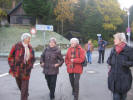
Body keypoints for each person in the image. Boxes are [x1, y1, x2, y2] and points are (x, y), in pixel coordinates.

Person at [8, 33, 35, 100]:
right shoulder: (16, 46)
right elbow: (10, 57)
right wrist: (13, 66)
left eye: (29, 38)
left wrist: (30, 66)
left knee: (24, 87)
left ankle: (24, 96)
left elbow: (33, 58)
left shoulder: (30, 47)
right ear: (24, 39)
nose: (29, 40)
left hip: (26, 71)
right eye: (28, 38)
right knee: (20, 85)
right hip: (17, 70)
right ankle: (25, 92)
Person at [107, 32, 133, 100]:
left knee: (123, 97)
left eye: (115, 39)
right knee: (116, 97)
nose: (114, 40)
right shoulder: (113, 49)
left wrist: (125, 63)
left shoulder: (129, 49)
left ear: (121, 40)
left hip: (124, 79)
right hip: (114, 79)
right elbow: (109, 60)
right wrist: (109, 62)